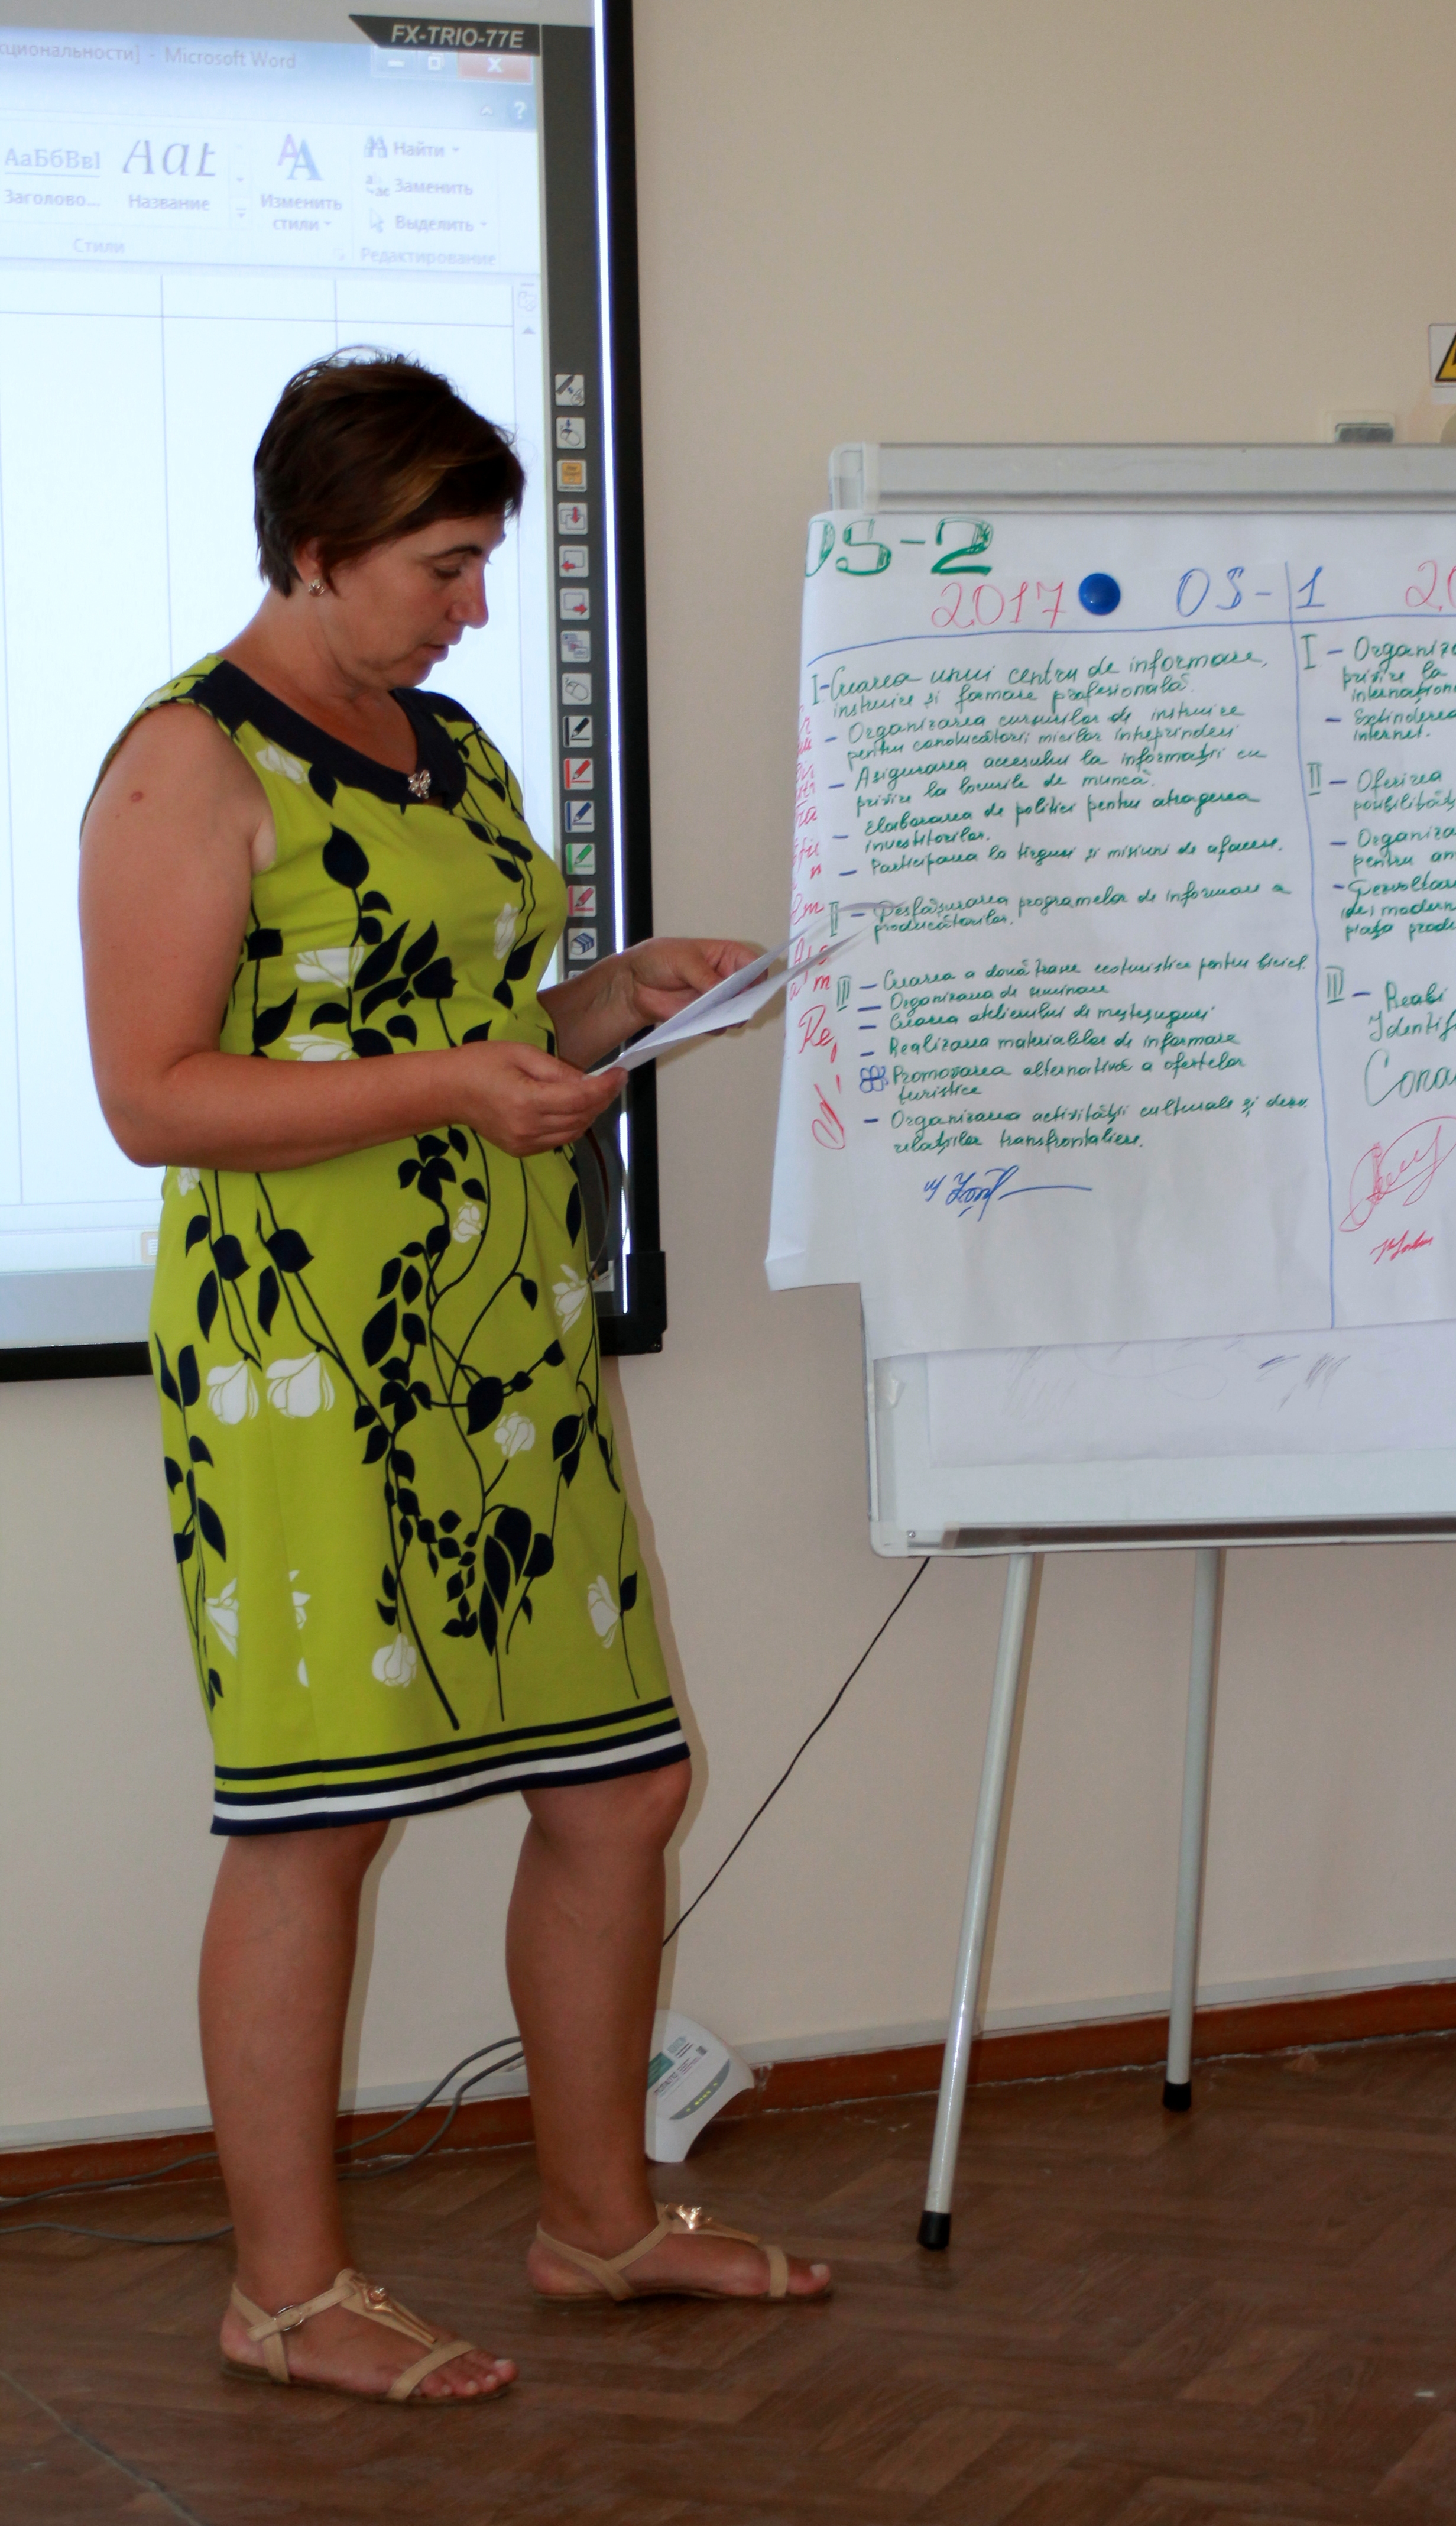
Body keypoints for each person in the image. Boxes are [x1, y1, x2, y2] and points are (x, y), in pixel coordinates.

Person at [79, 352, 828, 2408]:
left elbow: (476, 1015)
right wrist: (449, 1087)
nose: (476, 606)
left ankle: (598, 2225)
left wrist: (617, 999)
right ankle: (285, 2292)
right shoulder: (184, 760)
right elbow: (154, 1098)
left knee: (620, 1783)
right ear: (316, 550)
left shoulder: (451, 745)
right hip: (304, 1361)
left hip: (507, 1335)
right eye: (442, 564)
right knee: (314, 1825)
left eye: (485, 559)